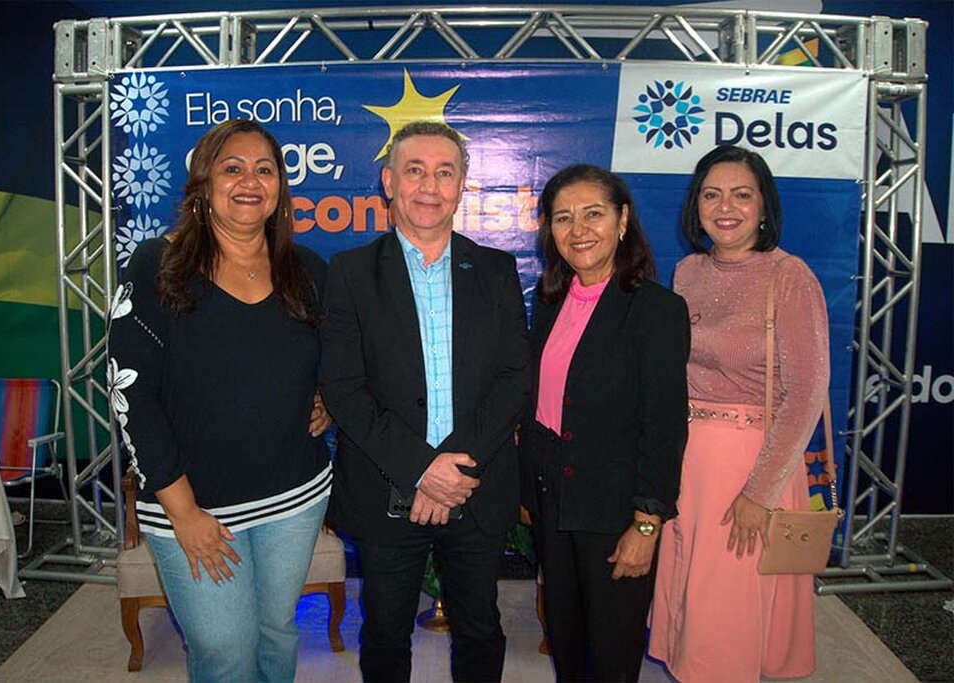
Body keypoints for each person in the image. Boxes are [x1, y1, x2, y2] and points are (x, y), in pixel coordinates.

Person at [107, 119, 333, 683]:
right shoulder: (157, 266)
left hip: (295, 497)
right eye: (232, 168)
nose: (250, 181)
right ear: (203, 185)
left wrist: (330, 397)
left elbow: (342, 358)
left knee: (277, 632)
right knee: (224, 650)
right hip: (194, 507)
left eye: (265, 169)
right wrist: (183, 512)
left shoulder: (308, 271)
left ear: (281, 186)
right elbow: (130, 392)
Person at [319, 120, 531, 682]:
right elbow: (343, 387)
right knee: (385, 633)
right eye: (415, 171)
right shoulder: (350, 274)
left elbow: (514, 376)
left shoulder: (495, 269)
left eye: (445, 172)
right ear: (389, 182)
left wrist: (452, 467)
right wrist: (421, 469)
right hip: (386, 488)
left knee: (481, 628)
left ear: (462, 185)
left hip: (475, 483)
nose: (429, 186)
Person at [648, 145, 830, 682]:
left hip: (749, 466)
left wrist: (759, 492)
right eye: (712, 194)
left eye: (741, 194)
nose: (725, 207)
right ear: (695, 206)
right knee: (689, 589)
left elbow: (805, 393)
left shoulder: (790, 277)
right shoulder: (687, 271)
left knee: (722, 611)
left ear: (764, 206)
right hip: (686, 458)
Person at [518, 164, 689, 682]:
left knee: (611, 653)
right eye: (563, 218)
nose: (579, 230)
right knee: (564, 638)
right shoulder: (549, 302)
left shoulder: (657, 310)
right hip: (552, 497)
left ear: (622, 220)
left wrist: (646, 523)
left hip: (616, 508)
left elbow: (664, 426)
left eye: (594, 214)